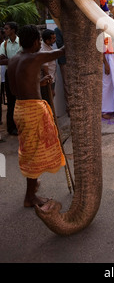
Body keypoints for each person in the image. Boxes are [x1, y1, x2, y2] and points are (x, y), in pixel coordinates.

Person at [7, 25, 65, 208]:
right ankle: (30, 197)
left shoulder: (14, 60)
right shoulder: (35, 57)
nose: (40, 43)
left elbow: (17, 90)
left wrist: (38, 83)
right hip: (32, 111)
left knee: (30, 151)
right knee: (33, 154)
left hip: (19, 108)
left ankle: (32, 189)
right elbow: (63, 51)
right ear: (34, 42)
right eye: (39, 40)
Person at [0, 22, 20, 135]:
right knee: (11, 102)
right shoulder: (4, 44)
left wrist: (9, 60)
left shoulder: (22, 41)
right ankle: (11, 127)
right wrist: (15, 60)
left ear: (13, 30)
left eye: (7, 28)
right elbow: (1, 60)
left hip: (21, 73)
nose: (5, 30)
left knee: (21, 100)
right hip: (10, 74)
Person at [102, 34, 114, 120]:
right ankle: (104, 110)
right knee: (106, 85)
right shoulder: (101, 32)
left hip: (111, 57)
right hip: (106, 58)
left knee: (112, 85)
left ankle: (112, 107)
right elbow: (100, 49)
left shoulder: (110, 31)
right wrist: (106, 63)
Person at [40, 29, 57, 106]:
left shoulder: (49, 47)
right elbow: (45, 69)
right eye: (53, 38)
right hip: (48, 81)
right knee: (48, 101)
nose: (55, 40)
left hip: (51, 79)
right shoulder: (43, 50)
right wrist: (50, 87)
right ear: (47, 40)